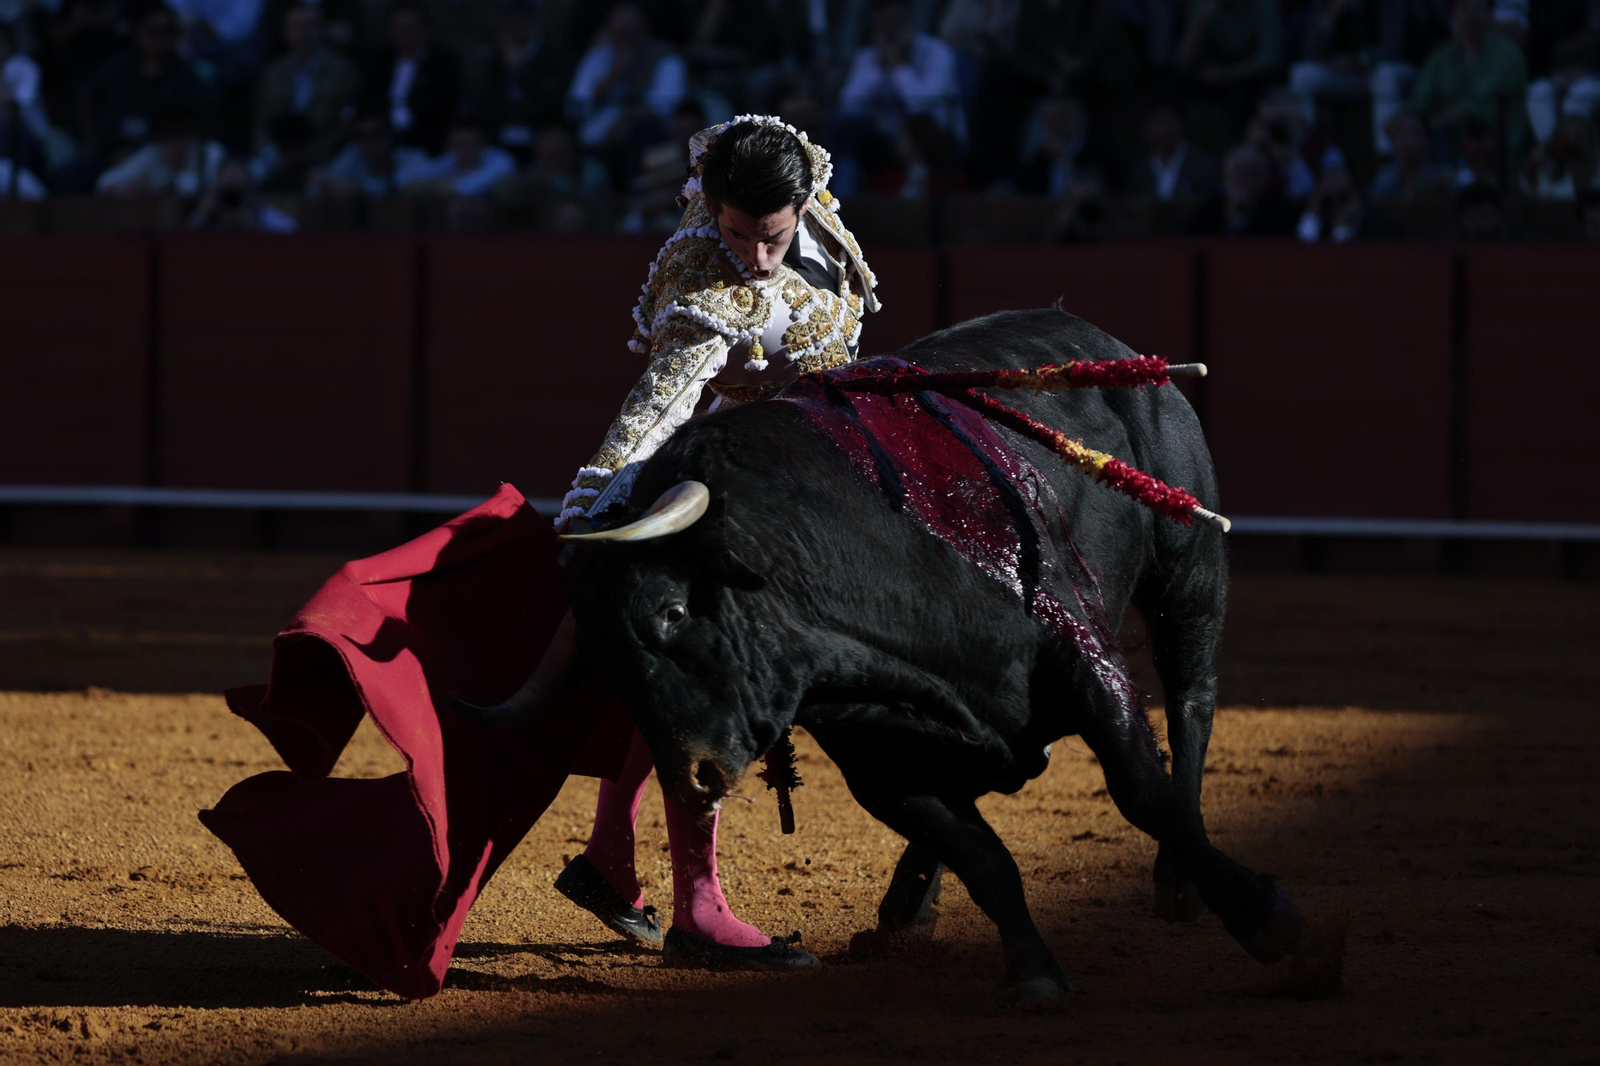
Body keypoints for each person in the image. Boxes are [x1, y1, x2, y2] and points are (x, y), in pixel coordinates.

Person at [491, 116, 880, 970]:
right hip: (722, 491)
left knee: (688, 686)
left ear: (804, 203)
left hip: (803, 477)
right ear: (710, 209)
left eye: (772, 237)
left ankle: (606, 857)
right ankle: (697, 907)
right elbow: (657, 407)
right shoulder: (702, 279)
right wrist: (597, 498)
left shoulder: (809, 198)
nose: (758, 257)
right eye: (738, 234)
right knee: (708, 679)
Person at [253, 2, 361, 164]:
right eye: (296, 27)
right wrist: (269, 151)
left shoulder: (342, 71)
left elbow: (345, 124)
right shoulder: (272, 74)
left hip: (328, 156)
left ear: (320, 29)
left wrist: (317, 153)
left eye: (309, 26)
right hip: (278, 154)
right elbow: (261, 122)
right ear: (286, 32)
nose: (303, 33)